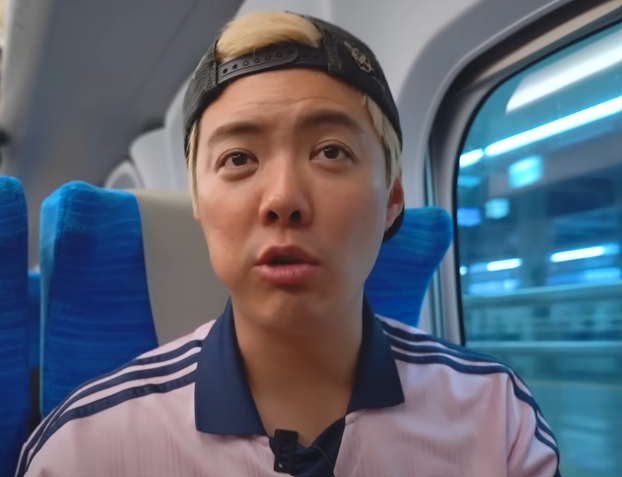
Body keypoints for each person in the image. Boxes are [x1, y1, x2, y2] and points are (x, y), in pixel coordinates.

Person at [16, 10, 561, 477]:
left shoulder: (496, 419)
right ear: (199, 203)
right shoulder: (84, 449)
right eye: (238, 159)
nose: (283, 199)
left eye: (331, 152)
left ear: (393, 199)